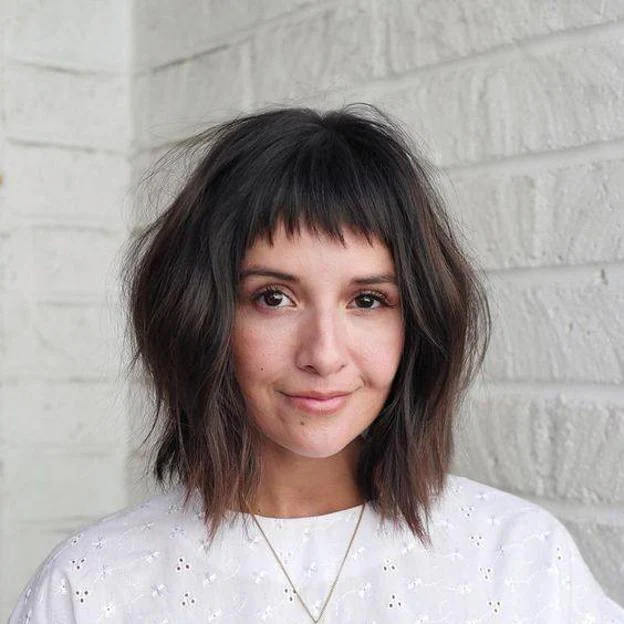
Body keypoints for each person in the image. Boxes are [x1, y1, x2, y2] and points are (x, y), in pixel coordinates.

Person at [9, 105, 623, 623]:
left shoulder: (520, 559)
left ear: (417, 323)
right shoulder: (94, 586)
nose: (324, 354)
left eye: (367, 300)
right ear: (201, 315)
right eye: (273, 298)